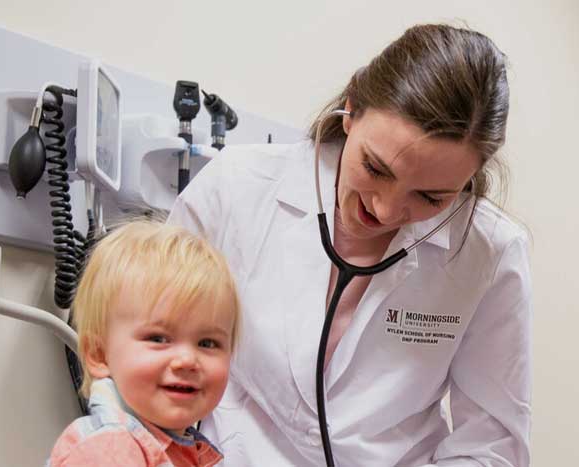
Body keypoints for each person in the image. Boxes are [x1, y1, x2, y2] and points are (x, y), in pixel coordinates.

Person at [167, 24, 532, 466]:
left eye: (431, 197)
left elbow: (490, 445)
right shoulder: (236, 189)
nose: (385, 209)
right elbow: (150, 349)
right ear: (352, 107)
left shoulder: (489, 255)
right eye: (376, 168)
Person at [47, 221, 240, 467]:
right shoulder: (107, 452)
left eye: (208, 343)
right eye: (158, 339)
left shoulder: (184, 449)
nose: (187, 360)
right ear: (99, 354)